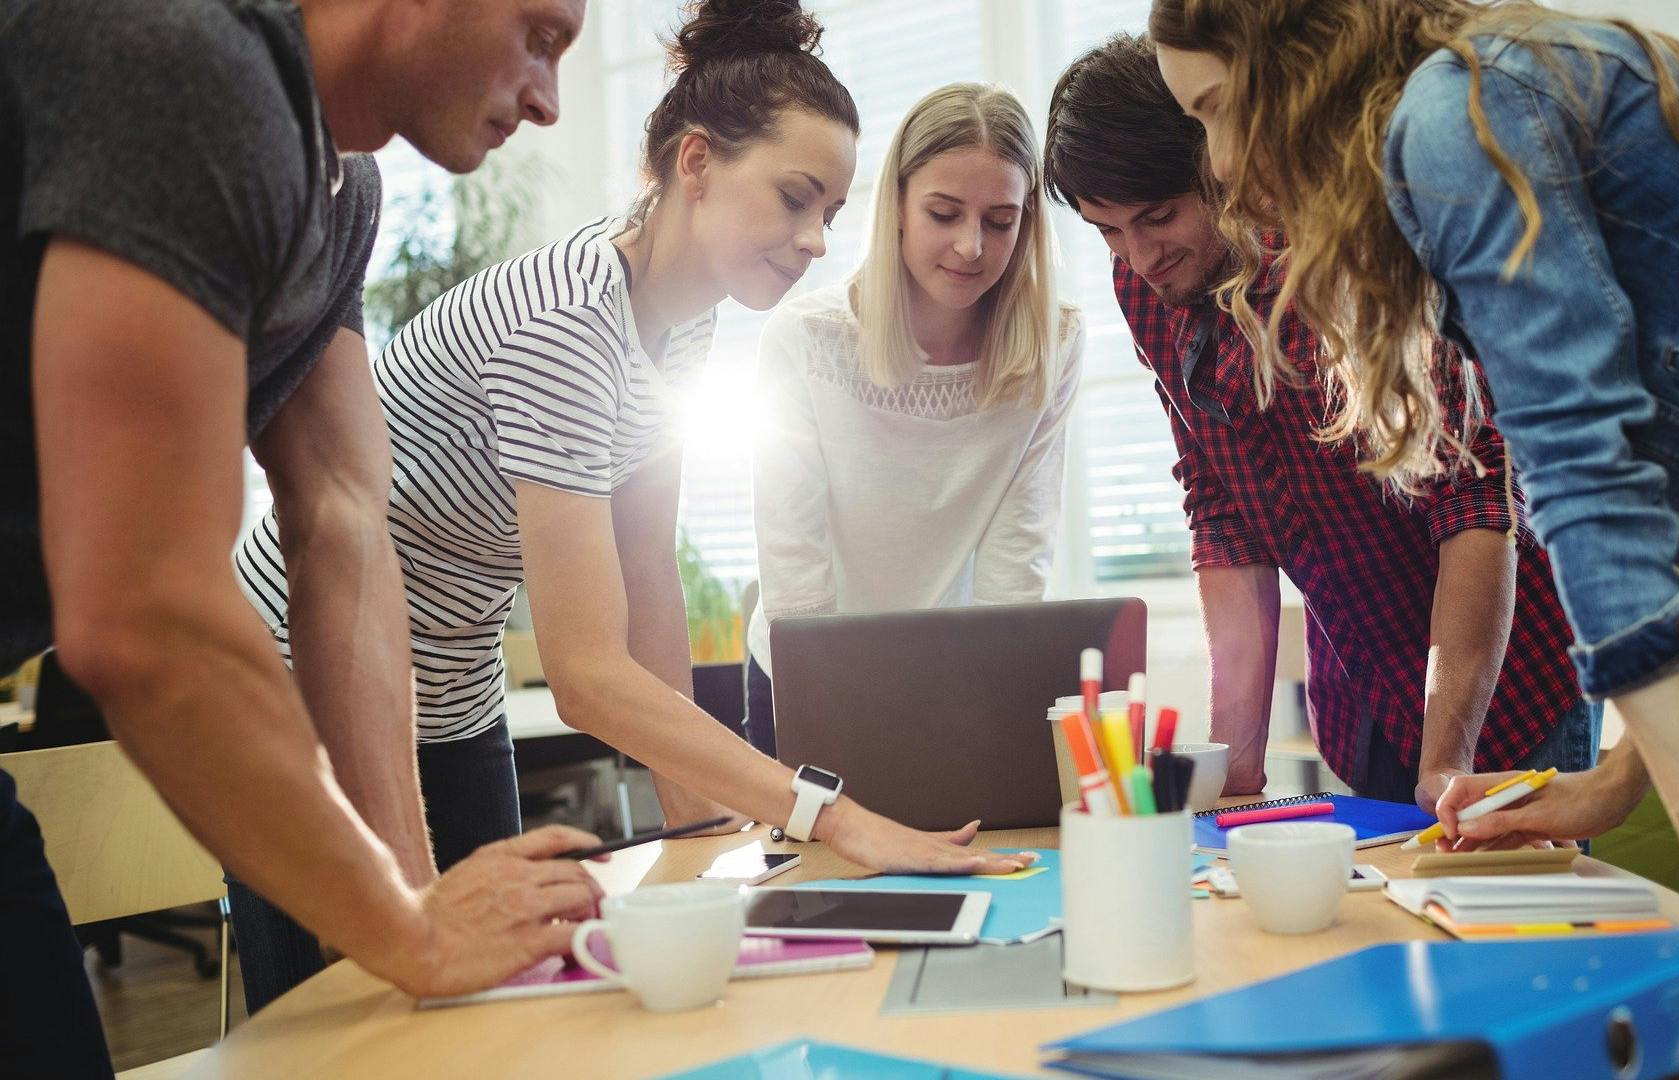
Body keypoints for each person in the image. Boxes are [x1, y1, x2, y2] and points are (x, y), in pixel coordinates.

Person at [231, 1, 1035, 1007]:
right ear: (694, 164)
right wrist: (825, 815)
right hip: (307, 670)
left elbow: (647, 580)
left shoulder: (681, 329)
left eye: (830, 210)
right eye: (794, 199)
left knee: (486, 1006)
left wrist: (703, 832)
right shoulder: (566, 321)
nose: (817, 240)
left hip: (452, 686)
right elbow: (586, 675)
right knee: (349, 1024)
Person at [1148, 0, 1679, 1053]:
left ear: (1298, 55)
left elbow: (1592, 488)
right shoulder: (1493, 82)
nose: (1223, 162)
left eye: (1219, 108)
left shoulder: (1456, 117)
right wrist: (1613, 784)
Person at [2, 0, 608, 1072]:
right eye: (541, 36)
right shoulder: (188, 61)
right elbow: (144, 615)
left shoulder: (339, 186)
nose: (550, 100)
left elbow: (343, 522)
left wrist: (415, 902)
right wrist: (409, 932)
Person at [1042, 35, 1591, 808]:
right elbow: (1221, 509)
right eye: (1107, 231)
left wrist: (1447, 762)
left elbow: (1472, 501)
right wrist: (1234, 765)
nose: (1136, 257)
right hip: (1363, 693)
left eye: (1158, 217)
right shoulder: (1148, 284)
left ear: (1221, 163)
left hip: (1504, 686)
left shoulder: (1343, 253)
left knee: (1515, 922)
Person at [744, 83, 1084, 756]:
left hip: (957, 675)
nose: (970, 247)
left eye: (999, 220)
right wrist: (843, 712)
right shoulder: (806, 340)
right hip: (806, 671)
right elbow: (794, 568)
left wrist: (981, 706)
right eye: (944, 213)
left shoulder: (1054, 344)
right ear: (897, 206)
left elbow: (1017, 562)